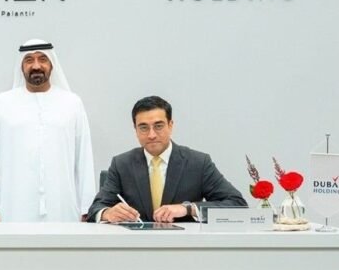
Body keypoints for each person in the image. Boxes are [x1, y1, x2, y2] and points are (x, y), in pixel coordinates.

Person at [0, 39, 95, 222]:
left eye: (42, 59)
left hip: (62, 206)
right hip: (14, 206)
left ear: (52, 65)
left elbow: (84, 158)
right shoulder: (2, 103)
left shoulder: (72, 103)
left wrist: (88, 207)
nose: (36, 66)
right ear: (21, 66)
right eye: (29, 60)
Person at [87, 95, 246, 223]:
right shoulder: (121, 164)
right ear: (135, 130)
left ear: (171, 125)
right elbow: (96, 209)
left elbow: (237, 204)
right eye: (143, 127)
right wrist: (107, 213)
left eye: (158, 126)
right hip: (135, 249)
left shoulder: (198, 163)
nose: (151, 135)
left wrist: (188, 209)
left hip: (184, 250)